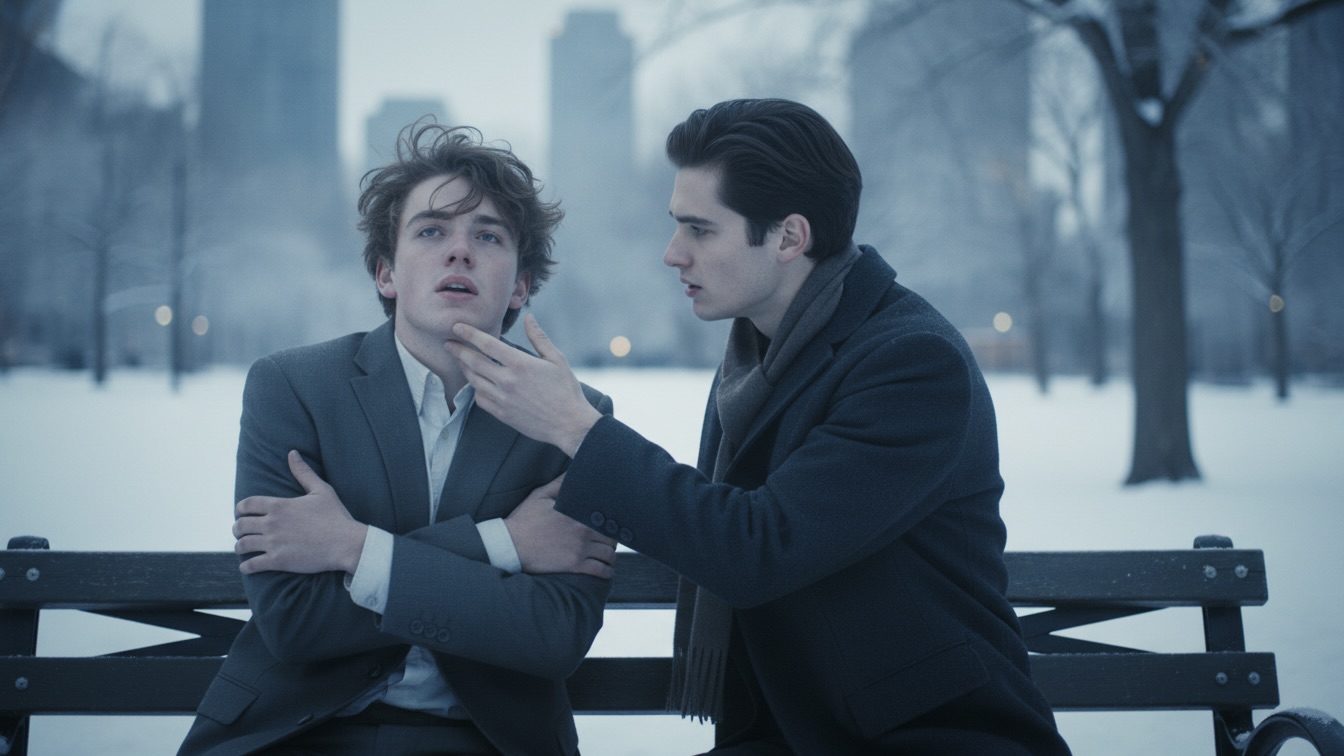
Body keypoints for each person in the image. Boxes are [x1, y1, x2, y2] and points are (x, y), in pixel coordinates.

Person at [448, 99, 1072, 754]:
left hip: (928, 734)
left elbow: (759, 546)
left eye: (700, 230)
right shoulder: (756, 361)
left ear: (788, 238)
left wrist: (578, 427)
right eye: (675, 226)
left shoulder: (911, 365)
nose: (672, 254)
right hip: (793, 732)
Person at [179, 124, 616, 756]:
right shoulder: (292, 387)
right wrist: (504, 545)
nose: (459, 251)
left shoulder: (572, 417)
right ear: (386, 273)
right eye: (432, 230)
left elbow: (552, 638)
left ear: (520, 284)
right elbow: (295, 622)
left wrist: (350, 549)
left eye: (488, 236)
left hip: (487, 740)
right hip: (298, 734)